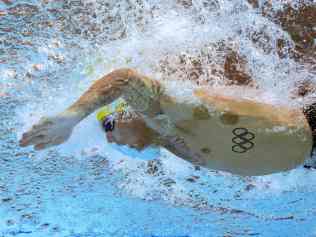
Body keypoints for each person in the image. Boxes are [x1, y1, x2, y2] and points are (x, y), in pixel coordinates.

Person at [19, 68, 314, 176]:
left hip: (301, 131)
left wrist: (72, 116)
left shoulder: (182, 113)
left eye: (108, 124)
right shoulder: (173, 142)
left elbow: (125, 80)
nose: (110, 138)